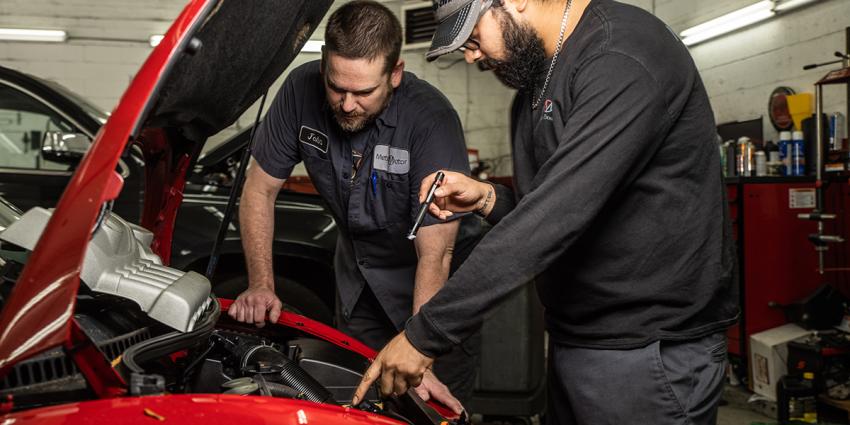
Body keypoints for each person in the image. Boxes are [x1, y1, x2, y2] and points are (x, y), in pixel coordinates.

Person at [353, 0, 740, 423]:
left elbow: (551, 222)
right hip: (578, 337)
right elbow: (555, 210)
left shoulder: (621, 56)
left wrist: (423, 336)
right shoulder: (537, 81)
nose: (470, 54)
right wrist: (487, 199)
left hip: (648, 351)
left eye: (472, 34)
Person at [227, 0, 475, 412]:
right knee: (354, 401)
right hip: (359, 283)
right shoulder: (299, 91)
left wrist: (422, 347)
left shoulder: (430, 119)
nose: (346, 104)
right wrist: (261, 284)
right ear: (324, 64)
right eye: (336, 87)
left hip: (431, 295)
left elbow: (437, 252)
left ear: (394, 74)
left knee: (426, 410)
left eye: (363, 92)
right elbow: (258, 190)